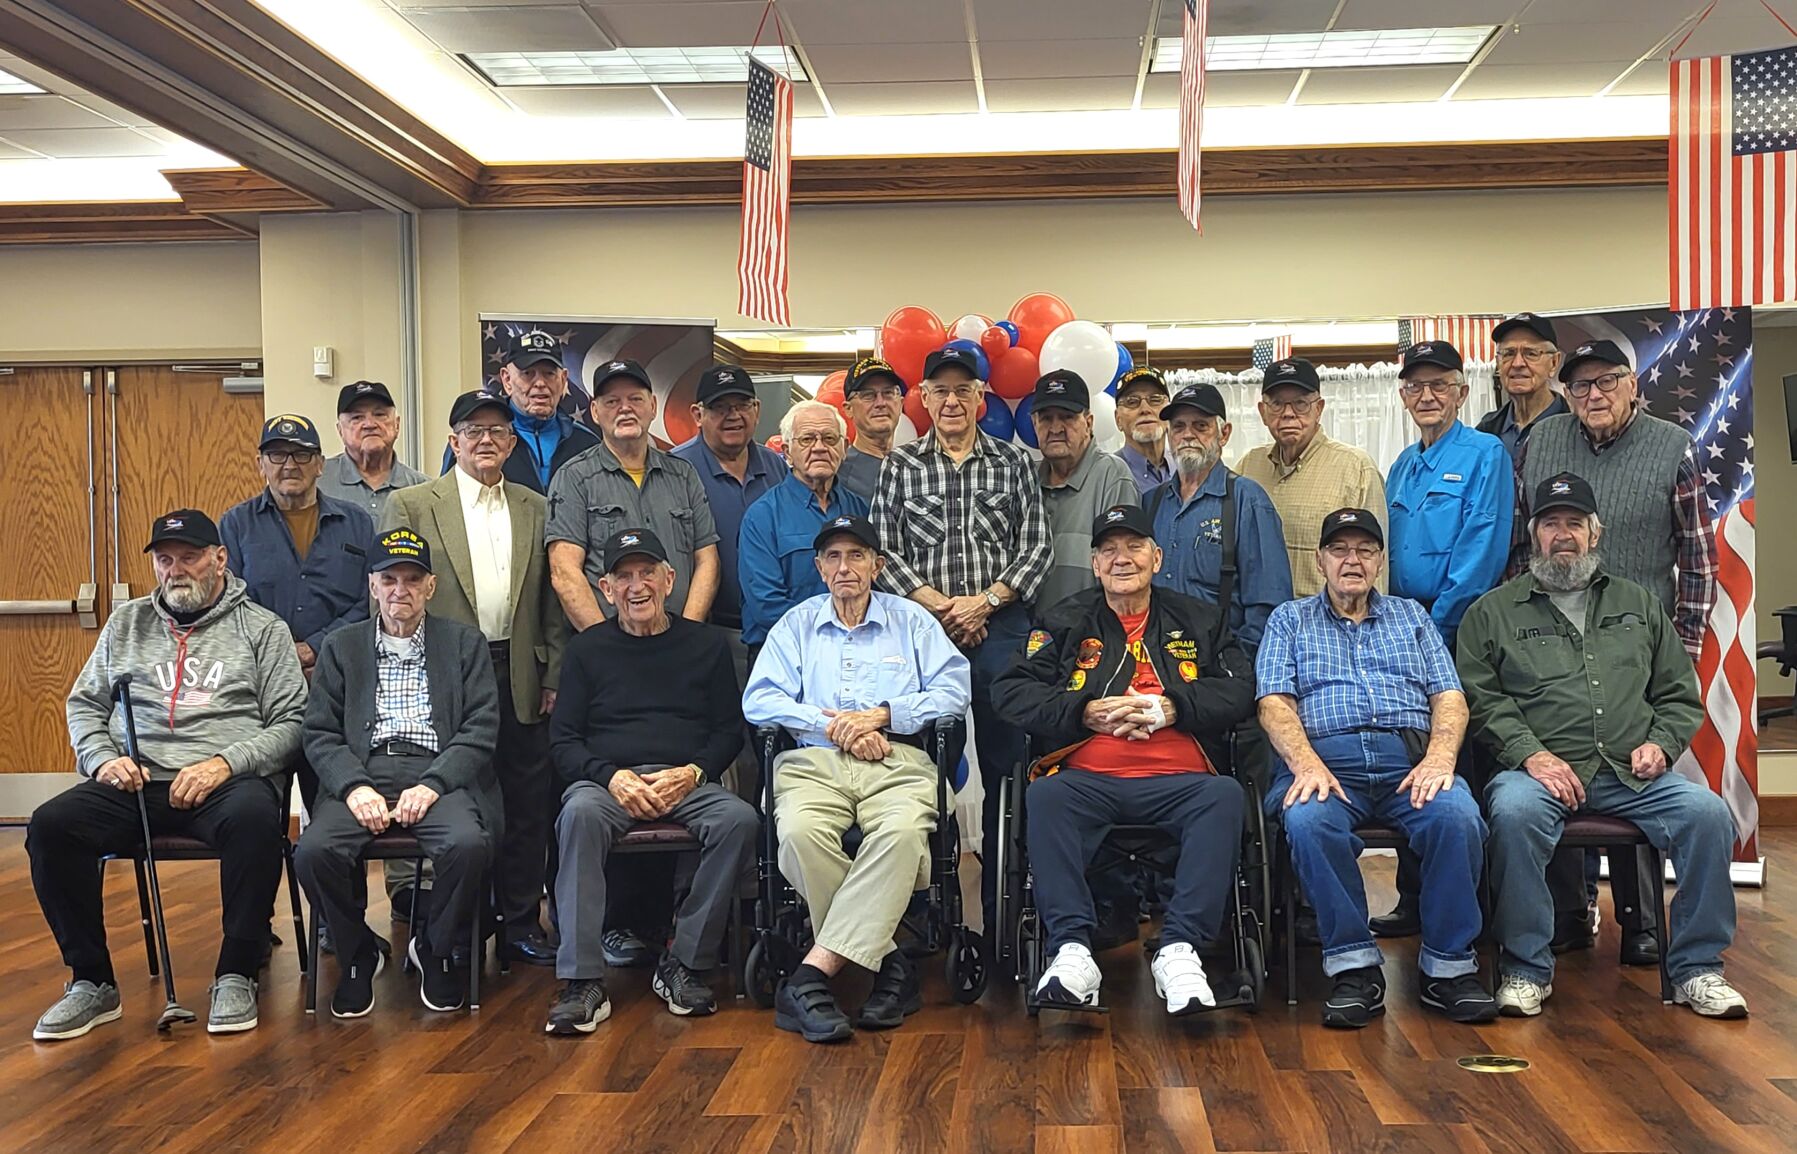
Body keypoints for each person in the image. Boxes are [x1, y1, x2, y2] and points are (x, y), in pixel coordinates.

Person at [1458, 473, 1746, 1019]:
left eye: (1574, 524)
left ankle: (1697, 969)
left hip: (1631, 773)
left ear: (1596, 533)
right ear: (1532, 534)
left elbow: (1680, 696)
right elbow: (1482, 700)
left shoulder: (1638, 604)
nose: (1561, 535)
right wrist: (1532, 755)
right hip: (1535, 773)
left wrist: (1661, 744)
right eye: (1549, 524)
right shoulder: (1490, 613)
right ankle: (1525, 968)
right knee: (1513, 815)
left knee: (1708, 814)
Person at [30, 510, 306, 1040]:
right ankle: (91, 981)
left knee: (255, 821)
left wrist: (226, 763)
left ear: (219, 559)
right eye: (165, 559)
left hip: (225, 781)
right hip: (136, 779)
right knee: (51, 825)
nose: (176, 569)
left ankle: (236, 970)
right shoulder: (125, 624)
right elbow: (85, 704)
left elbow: (293, 723)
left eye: (190, 557)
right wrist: (101, 758)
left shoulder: (264, 630)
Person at [994, 504, 1256, 1016]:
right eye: (1108, 550)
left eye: (1134, 547)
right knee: (1044, 795)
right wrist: (1083, 711)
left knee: (1225, 797)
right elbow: (1011, 692)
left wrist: (1174, 707)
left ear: (1156, 558)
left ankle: (1180, 949)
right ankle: (1071, 951)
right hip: (1087, 778)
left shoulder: (1201, 619)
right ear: (1094, 564)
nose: (1122, 559)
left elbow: (1242, 690)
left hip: (1183, 779)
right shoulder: (1064, 621)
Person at [1256, 508, 1496, 1028]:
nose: (1352, 560)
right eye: (1340, 550)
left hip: (1408, 761)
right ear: (1320, 560)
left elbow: (1449, 697)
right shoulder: (1289, 620)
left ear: (1381, 561)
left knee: (1457, 817)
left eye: (1365, 550)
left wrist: (1439, 757)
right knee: (1307, 820)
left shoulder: (1413, 617)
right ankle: (1354, 967)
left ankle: (1448, 969)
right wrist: (1306, 764)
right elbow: (1273, 702)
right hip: (1324, 760)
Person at [1520, 338, 1717, 964]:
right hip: (1549, 638)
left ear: (1634, 384)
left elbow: (1699, 557)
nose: (1594, 395)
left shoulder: (1671, 447)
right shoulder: (1539, 444)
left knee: (1637, 769)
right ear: (1566, 393)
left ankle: (1641, 923)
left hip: (1640, 642)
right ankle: (1569, 917)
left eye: (1607, 382)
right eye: (1580, 386)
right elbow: (1521, 536)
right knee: (1561, 763)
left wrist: (1681, 649)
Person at [743, 514, 971, 1042]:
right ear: (821, 569)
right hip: (813, 764)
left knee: (901, 835)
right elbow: (760, 700)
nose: (846, 567)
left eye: (857, 556)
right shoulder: (795, 625)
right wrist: (834, 725)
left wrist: (884, 715)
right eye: (834, 558)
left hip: (897, 759)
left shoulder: (912, 621)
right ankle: (891, 965)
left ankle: (811, 974)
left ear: (878, 566)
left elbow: (954, 689)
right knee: (799, 834)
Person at [381, 390, 568, 967]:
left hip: (519, 669)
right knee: (461, 800)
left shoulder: (536, 506)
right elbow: (390, 599)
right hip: (442, 672)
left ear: (512, 443)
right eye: (473, 429)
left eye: (497, 430)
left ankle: (517, 925)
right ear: (452, 440)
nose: (486, 439)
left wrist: (553, 671)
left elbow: (551, 599)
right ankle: (462, 926)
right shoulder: (412, 504)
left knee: (524, 802)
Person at [544, 527, 757, 1033]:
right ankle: (582, 981)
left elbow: (729, 730)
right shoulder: (587, 650)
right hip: (607, 785)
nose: (636, 586)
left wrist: (693, 774)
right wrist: (611, 778)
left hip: (686, 782)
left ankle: (683, 961)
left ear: (669, 580)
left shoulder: (705, 645)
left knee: (740, 820)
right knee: (577, 813)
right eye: (624, 577)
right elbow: (564, 741)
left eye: (647, 574)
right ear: (605, 588)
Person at [871, 345, 1052, 935]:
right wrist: (938, 606)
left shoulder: (1015, 463)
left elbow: (1036, 548)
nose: (952, 401)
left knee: (1008, 764)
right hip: (922, 634)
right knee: (920, 764)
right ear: (924, 399)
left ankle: (1010, 904)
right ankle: (925, 906)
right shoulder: (899, 466)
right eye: (940, 391)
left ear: (982, 399)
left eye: (963, 391)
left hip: (1000, 628)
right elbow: (882, 552)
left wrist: (986, 602)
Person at [295, 529, 501, 1016]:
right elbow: (319, 732)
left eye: (412, 579)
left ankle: (433, 946)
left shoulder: (464, 644)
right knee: (313, 852)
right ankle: (356, 952)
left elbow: (480, 728)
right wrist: (353, 785)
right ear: (372, 586)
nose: (399, 591)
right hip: (362, 771)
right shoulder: (342, 647)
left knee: (468, 846)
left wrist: (433, 784)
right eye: (389, 579)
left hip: (438, 771)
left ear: (430, 586)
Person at [546, 357, 720, 631]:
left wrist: (687, 636)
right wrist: (605, 645)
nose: (625, 409)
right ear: (594, 411)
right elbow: (564, 572)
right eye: (612, 401)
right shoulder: (573, 478)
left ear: (652, 406)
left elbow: (707, 560)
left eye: (635, 399)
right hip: (608, 648)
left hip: (679, 642)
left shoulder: (684, 476)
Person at [220, 414, 375, 683]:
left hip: (342, 672)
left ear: (320, 465)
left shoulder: (357, 522)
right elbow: (228, 603)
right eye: (277, 455)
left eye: (302, 454)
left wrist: (316, 646)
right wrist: (279, 649)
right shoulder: (236, 524)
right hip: (259, 675)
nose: (290, 465)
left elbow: (369, 600)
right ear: (260, 464)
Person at [1386, 341, 1513, 649]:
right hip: (1399, 626)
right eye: (1415, 387)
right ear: (1404, 397)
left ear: (1462, 394)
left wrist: (1436, 629)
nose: (1426, 397)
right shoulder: (1401, 464)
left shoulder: (1486, 453)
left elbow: (1480, 558)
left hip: (1455, 628)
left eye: (1439, 385)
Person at [1147, 383, 1291, 653]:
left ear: (1224, 434)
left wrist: (1237, 669)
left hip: (1216, 666)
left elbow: (1269, 607)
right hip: (1154, 664)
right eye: (1178, 427)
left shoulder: (1248, 501)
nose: (1188, 435)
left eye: (1201, 426)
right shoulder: (1151, 503)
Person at [1237, 358, 1388, 599]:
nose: (1288, 414)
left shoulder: (1356, 468)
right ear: (1262, 412)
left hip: (1329, 628)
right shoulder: (1248, 467)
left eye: (1300, 403)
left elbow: (1376, 563)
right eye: (1277, 404)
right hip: (1258, 624)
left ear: (1319, 409)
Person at [738, 400, 871, 652]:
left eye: (830, 439)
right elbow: (766, 604)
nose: (819, 448)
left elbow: (873, 585)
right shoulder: (762, 516)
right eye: (807, 439)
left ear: (844, 448)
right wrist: (832, 636)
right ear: (787, 452)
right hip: (786, 655)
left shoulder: (861, 510)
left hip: (856, 652)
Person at [671, 364, 789, 642]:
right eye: (720, 407)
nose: (733, 416)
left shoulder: (776, 467)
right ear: (698, 415)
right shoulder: (675, 469)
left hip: (773, 631)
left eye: (742, 405)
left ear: (757, 410)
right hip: (704, 630)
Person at [1031, 369, 1140, 612]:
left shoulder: (1112, 476)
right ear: (1034, 424)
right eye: (1046, 418)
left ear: (1089, 423)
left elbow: (1122, 572)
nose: (1056, 428)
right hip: (1029, 637)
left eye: (1067, 417)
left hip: (1090, 637)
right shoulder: (1025, 478)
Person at [443, 329, 600, 493]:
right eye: (528, 373)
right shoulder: (474, 441)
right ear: (507, 379)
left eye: (549, 374)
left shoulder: (586, 443)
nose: (540, 383)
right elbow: (447, 501)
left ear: (563, 380)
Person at [319, 380, 427, 519]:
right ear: (340, 430)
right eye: (357, 417)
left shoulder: (423, 489)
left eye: (380, 414)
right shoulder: (317, 482)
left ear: (397, 425)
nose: (369, 424)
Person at [1476, 313, 1568, 461]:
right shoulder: (1486, 431)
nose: (1517, 363)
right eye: (1508, 353)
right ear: (1498, 363)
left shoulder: (1577, 431)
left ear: (1554, 363)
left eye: (1531, 353)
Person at [837, 356, 906, 501]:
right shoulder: (838, 475)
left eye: (888, 393)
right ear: (848, 409)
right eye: (868, 395)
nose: (880, 403)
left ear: (900, 404)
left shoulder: (913, 465)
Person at [1113, 367, 1175, 494]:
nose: (1145, 409)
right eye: (1132, 402)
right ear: (1118, 419)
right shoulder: (1107, 475)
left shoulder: (1186, 466)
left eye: (1155, 399)